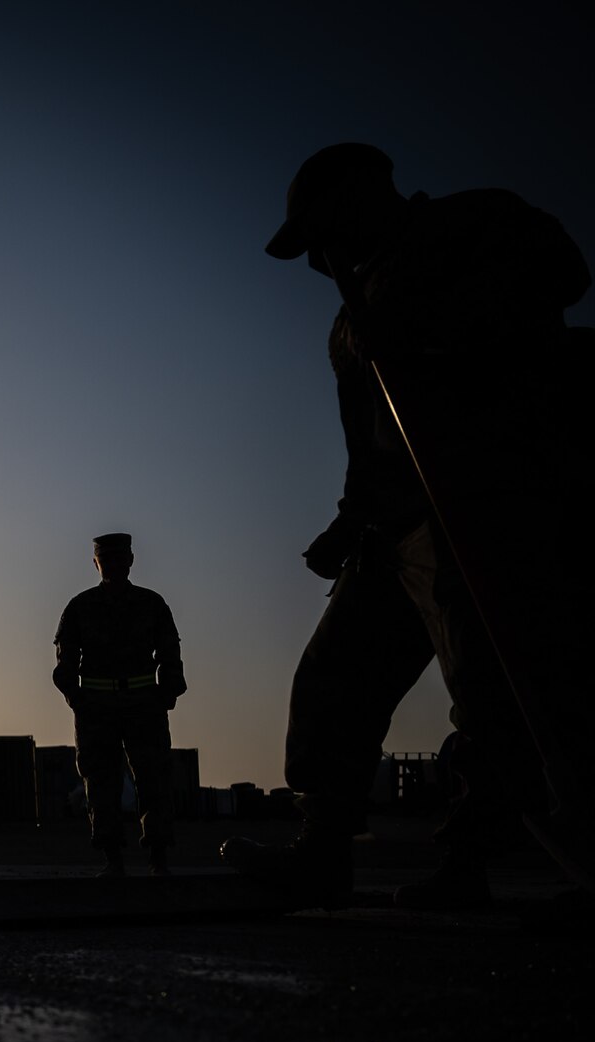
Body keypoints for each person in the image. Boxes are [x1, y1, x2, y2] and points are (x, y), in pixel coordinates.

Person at [226, 143, 590, 908]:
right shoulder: (346, 319)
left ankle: (470, 862)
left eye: (318, 234)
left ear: (362, 194)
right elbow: (370, 440)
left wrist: (430, 326)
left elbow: (563, 273)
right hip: (390, 526)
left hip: (486, 497)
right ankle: (323, 849)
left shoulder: (472, 221)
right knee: (333, 677)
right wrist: (349, 519)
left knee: (494, 688)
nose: (315, 261)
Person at [53, 533, 186, 876]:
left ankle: (159, 856)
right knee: (100, 782)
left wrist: (167, 692)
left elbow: (170, 651)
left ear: (131, 561)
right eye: (106, 559)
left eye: (119, 558)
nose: (113, 565)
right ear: (96, 563)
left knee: (153, 778)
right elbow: (65, 662)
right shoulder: (79, 607)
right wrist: (76, 697)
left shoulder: (152, 604)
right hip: (96, 706)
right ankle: (112, 858)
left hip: (143, 702)